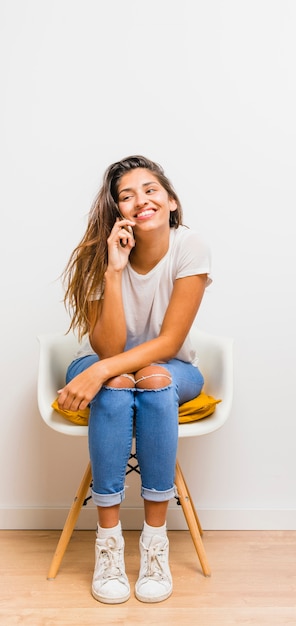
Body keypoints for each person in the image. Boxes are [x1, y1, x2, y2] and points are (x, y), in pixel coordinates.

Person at [57, 155, 212, 604]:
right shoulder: (100, 257)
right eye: (127, 196)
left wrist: (105, 371)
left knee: (153, 378)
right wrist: (113, 268)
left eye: (150, 190)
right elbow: (107, 349)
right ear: (118, 212)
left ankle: (155, 544)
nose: (140, 200)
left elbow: (169, 342)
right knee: (123, 383)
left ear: (171, 202)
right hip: (104, 368)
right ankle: (108, 546)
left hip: (170, 368)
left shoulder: (191, 247)